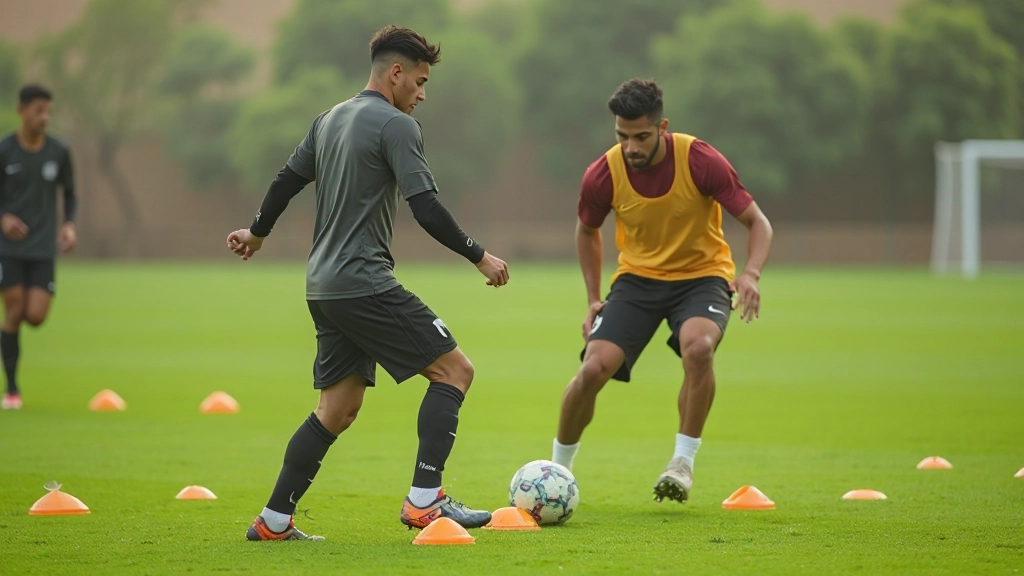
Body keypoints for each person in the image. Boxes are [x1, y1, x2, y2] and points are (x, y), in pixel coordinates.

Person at [226, 25, 509, 541]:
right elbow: (425, 207)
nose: (422, 95)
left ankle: (273, 521)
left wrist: (257, 233)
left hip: (322, 287)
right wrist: (479, 256)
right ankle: (425, 501)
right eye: (420, 82)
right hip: (363, 281)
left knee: (337, 409)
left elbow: (286, 180)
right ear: (396, 73)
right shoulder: (397, 126)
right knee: (455, 371)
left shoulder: (329, 119)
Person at [550, 79, 773, 504]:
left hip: (702, 277)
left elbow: (758, 223)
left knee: (699, 349)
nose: (630, 147)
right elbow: (587, 231)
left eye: (640, 137)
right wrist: (593, 298)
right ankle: (557, 472)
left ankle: (681, 464)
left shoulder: (700, 160)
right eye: (622, 136)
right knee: (593, 369)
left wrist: (751, 274)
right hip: (637, 281)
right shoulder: (603, 173)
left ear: (662, 127)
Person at [0, 84, 77, 410]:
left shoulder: (58, 151)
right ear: (22, 111)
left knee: (35, 316)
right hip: (8, 248)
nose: (44, 117)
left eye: (48, 111)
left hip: (43, 247)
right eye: (38, 111)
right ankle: (12, 389)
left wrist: (69, 224)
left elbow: (70, 194)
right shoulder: (5, 150)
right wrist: (3, 218)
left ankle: (12, 377)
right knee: (14, 311)